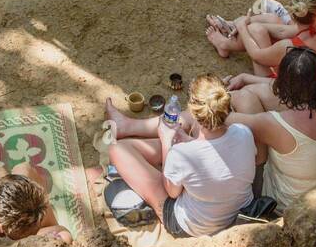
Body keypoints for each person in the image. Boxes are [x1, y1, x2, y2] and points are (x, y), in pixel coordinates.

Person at [107, 49, 316, 214]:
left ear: (285, 83)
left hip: (283, 201)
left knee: (220, 108)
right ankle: (137, 130)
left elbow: (215, 114)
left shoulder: (274, 124)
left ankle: (134, 128)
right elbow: (267, 92)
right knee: (244, 96)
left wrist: (217, 97)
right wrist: (246, 77)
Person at [104, 75, 255, 238]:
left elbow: (172, 193)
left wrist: (166, 141)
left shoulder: (182, 154)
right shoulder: (244, 132)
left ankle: (126, 128)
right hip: (238, 211)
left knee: (118, 149)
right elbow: (217, 156)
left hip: (193, 225)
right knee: (180, 162)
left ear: (192, 110)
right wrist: (188, 141)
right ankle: (126, 127)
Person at [206, 0, 316, 87]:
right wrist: (247, 21)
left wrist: (243, 27)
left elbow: (257, 55)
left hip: (301, 95)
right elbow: (283, 31)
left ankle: (226, 43)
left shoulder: (289, 47)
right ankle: (231, 28)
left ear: (293, 15)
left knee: (256, 31)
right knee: (269, 21)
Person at [0, 162, 72, 242]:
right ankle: (47, 223)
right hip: (38, 234)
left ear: (0, 225)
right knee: (25, 169)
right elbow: (65, 235)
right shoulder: (57, 238)